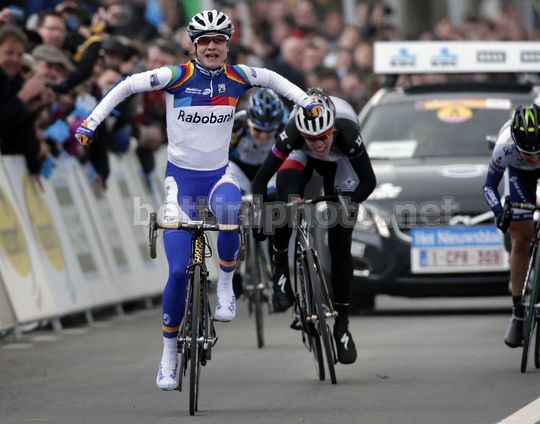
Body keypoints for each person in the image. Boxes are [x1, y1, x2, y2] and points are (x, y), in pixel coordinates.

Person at [74, 9, 322, 390]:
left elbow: (273, 79)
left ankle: (225, 286)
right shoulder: (176, 76)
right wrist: (91, 122)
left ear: (227, 45)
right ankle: (168, 355)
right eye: (204, 41)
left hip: (218, 177)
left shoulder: (238, 77)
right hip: (181, 185)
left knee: (230, 208)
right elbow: (126, 86)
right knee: (176, 272)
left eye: (218, 40)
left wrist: (306, 102)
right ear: (194, 46)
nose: (211, 47)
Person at [252, 88, 377, 364]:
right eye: (312, 138)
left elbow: (369, 181)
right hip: (301, 156)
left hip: (342, 162)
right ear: (302, 133)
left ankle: (342, 323)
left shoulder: (347, 133)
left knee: (340, 241)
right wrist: (261, 215)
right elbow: (261, 179)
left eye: (323, 136)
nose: (319, 144)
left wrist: (348, 202)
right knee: (285, 202)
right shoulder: (294, 134)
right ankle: (280, 270)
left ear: (332, 129)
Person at [483, 103, 540, 348]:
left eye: (538, 152)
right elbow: (489, 186)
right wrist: (499, 212)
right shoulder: (504, 148)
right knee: (519, 240)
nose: (534, 159)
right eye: (528, 153)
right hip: (519, 175)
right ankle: (518, 311)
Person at [229, 88, 285, 194]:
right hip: (238, 167)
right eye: (257, 130)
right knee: (241, 195)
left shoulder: (283, 130)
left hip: (267, 168)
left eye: (269, 131)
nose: (263, 136)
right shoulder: (237, 124)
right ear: (248, 122)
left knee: (271, 195)